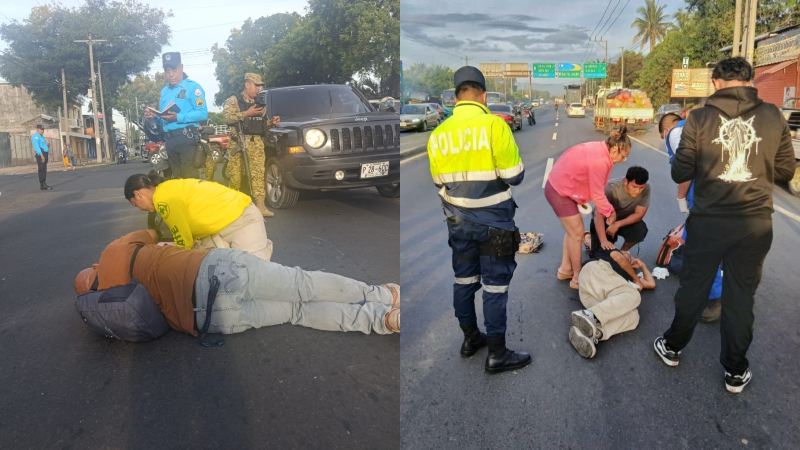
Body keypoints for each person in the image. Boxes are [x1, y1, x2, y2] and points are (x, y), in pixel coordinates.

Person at [653, 57, 796, 394]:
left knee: (694, 288)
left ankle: (672, 347)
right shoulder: (773, 115)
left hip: (708, 222)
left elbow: (680, 172)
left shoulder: (699, 118)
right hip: (755, 223)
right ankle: (735, 370)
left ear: (716, 82)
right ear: (749, 81)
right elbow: (787, 170)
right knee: (741, 295)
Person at [73, 229, 399, 336]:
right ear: (94, 267)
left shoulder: (117, 305)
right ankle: (381, 294)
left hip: (210, 319)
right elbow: (155, 235)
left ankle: (382, 321)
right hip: (217, 272)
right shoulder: (114, 251)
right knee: (303, 284)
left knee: (296, 312)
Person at [427, 66, 530, 374]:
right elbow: (515, 176)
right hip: (495, 223)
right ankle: (497, 354)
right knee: (495, 287)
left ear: (456, 96)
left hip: (458, 223)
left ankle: (471, 339)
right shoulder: (493, 126)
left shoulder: (438, 134)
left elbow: (439, 183)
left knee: (463, 281)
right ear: (482, 95)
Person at [545, 127, 631, 289]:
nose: (623, 160)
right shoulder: (600, 160)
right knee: (577, 234)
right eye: (623, 156)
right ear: (614, 149)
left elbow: (595, 185)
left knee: (572, 232)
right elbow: (598, 193)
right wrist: (609, 212)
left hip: (564, 188)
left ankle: (565, 269)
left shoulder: (601, 149)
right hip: (560, 191)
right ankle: (577, 278)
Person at [660, 112, 724, 323]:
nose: (664, 140)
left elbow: (686, 169)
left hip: (705, 196)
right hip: (730, 193)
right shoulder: (707, 126)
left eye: (662, 135)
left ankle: (713, 299)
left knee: (699, 247)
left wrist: (680, 197)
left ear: (666, 128)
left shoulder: (676, 132)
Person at [124, 172, 274, 261]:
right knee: (227, 274)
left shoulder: (163, 200)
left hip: (242, 221)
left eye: (135, 204)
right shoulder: (167, 188)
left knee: (255, 277)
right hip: (222, 227)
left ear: (138, 195)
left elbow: (184, 243)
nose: (140, 209)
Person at [569, 249, 655, 358]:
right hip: (594, 273)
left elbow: (651, 284)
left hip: (593, 299)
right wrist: (635, 277)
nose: (629, 255)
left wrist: (642, 266)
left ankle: (594, 332)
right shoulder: (614, 257)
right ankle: (591, 315)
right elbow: (618, 257)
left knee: (634, 317)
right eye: (627, 254)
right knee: (634, 295)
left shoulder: (629, 279)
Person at [223, 73, 280, 217]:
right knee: (235, 177)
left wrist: (271, 123)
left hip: (256, 143)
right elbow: (228, 118)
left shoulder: (260, 104)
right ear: (247, 84)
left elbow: (260, 124)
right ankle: (233, 208)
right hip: (238, 142)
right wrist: (246, 113)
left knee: (258, 174)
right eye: (256, 86)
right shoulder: (234, 100)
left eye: (260, 86)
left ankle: (261, 206)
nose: (259, 89)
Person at [143, 52, 208, 178]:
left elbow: (203, 113)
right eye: (167, 71)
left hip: (186, 138)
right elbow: (164, 119)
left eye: (174, 69)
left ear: (181, 68)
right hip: (169, 140)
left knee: (189, 179)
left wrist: (178, 117)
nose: (171, 74)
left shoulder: (193, 88)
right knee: (177, 180)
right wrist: (155, 116)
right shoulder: (164, 92)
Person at [586, 166, 650, 256]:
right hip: (605, 220)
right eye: (634, 187)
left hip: (624, 220)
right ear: (625, 181)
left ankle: (623, 251)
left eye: (641, 188)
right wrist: (604, 241)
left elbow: (639, 214)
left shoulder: (646, 188)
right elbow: (598, 214)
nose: (638, 191)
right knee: (597, 255)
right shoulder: (610, 188)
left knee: (640, 230)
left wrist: (618, 224)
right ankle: (588, 240)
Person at [31, 124, 52, 190]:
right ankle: (43, 184)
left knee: (44, 169)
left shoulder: (41, 136)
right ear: (37, 129)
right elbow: (36, 147)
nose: (42, 131)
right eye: (41, 129)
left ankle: (43, 184)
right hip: (41, 154)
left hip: (44, 153)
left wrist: (47, 146)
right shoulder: (35, 136)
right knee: (42, 169)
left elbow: (42, 145)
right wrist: (41, 155)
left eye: (43, 129)